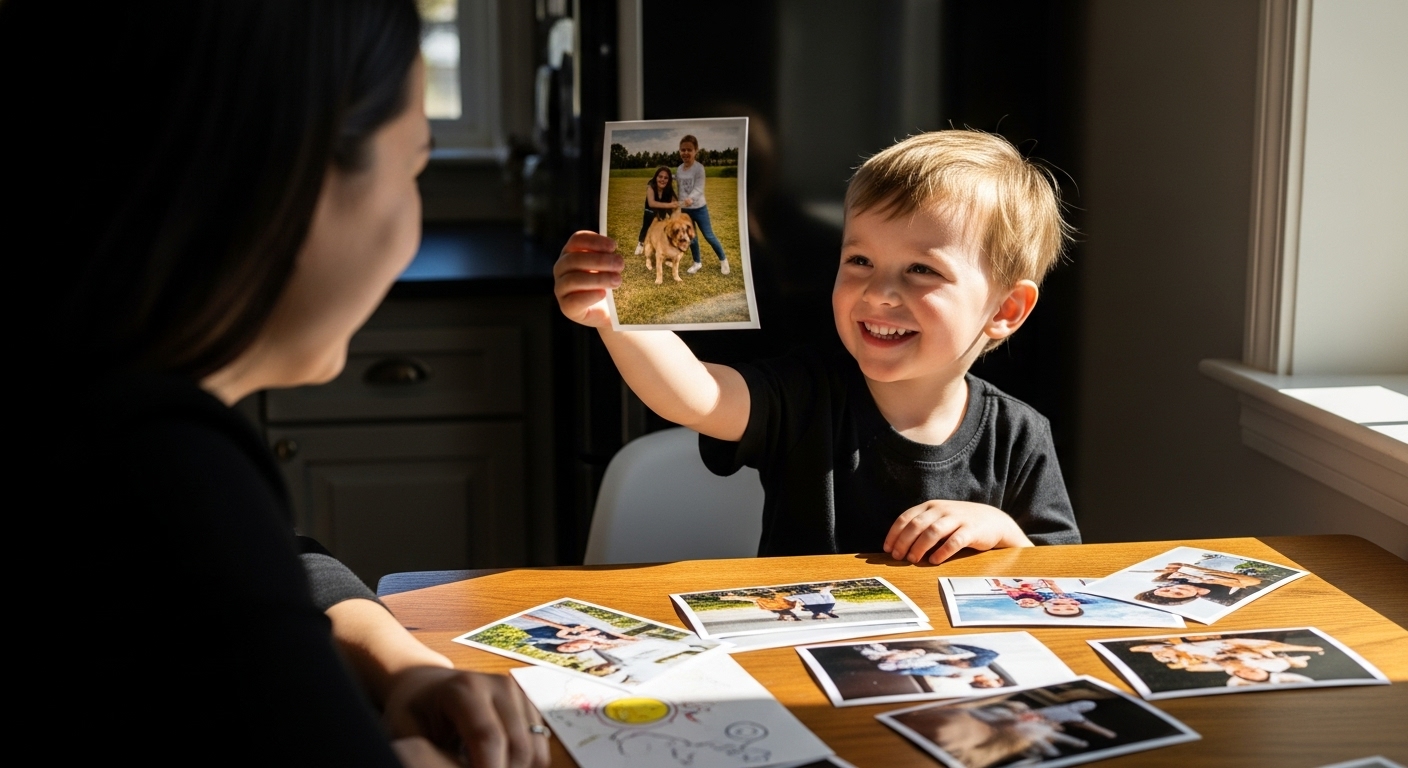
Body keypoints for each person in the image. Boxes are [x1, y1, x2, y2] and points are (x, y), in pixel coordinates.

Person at [10, 2, 547, 765]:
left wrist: (407, 667)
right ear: (292, 180)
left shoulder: (100, 402)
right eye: (414, 168)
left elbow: (276, 559)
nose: (411, 230)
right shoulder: (155, 469)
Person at [553, 130, 1080, 561]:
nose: (879, 292)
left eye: (922, 270)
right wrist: (615, 316)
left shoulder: (1021, 436)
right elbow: (695, 394)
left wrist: (1005, 531)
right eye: (860, 261)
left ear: (1006, 311)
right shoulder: (805, 393)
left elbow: (1063, 583)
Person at [675, 134, 731, 275]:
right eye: (683, 150)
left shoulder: (699, 168)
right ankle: (697, 263)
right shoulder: (679, 169)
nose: (685, 153)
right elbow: (679, 187)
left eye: (689, 150)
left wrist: (690, 198)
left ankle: (723, 260)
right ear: (679, 151)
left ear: (696, 151)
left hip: (699, 209)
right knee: (692, 237)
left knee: (709, 235)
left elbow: (699, 188)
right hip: (686, 211)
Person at [634, 166, 681, 255]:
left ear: (669, 180)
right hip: (650, 209)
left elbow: (676, 204)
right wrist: (670, 205)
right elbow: (651, 203)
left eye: (666, 178)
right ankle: (641, 243)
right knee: (647, 225)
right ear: (656, 177)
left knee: (662, 225)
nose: (662, 180)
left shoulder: (668, 189)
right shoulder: (651, 185)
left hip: (662, 209)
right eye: (660, 177)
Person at [720, 591, 802, 621]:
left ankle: (731, 596)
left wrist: (734, 597)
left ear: (781, 617)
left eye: (785, 618)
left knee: (754, 599)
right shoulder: (792, 606)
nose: (788, 616)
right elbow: (794, 596)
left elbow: (754, 600)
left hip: (767, 596)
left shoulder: (766, 608)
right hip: (778, 593)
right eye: (792, 617)